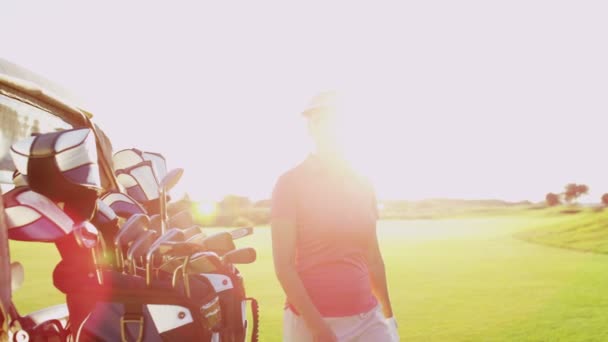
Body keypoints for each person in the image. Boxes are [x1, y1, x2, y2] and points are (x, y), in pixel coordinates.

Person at [271, 91, 399, 342]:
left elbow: (373, 257)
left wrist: (388, 316)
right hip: (311, 322)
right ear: (311, 128)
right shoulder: (289, 183)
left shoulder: (364, 183)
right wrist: (319, 330)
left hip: (368, 319)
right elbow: (284, 267)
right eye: (319, 120)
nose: (328, 128)